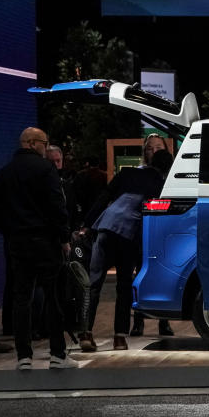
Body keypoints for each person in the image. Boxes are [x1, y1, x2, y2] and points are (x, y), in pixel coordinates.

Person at [0, 127, 78, 369]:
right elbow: (57, 206)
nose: (46, 147)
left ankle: (23, 356)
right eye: (44, 143)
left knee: (21, 299)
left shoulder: (3, 174)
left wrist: (11, 232)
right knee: (53, 297)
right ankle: (58, 354)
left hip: (17, 243)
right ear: (31, 143)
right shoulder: (45, 169)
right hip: (46, 242)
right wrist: (63, 238)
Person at [78, 146, 169, 351]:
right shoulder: (161, 184)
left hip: (106, 227)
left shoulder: (127, 173)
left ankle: (85, 333)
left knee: (93, 283)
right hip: (129, 235)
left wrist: (87, 224)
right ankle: (119, 338)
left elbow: (104, 197)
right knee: (124, 286)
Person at [130, 134, 175, 338]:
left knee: (164, 273)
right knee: (140, 272)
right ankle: (138, 321)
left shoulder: (172, 175)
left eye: (158, 147)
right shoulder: (138, 174)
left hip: (164, 230)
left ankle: (163, 322)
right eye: (150, 148)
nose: (154, 151)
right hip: (142, 230)